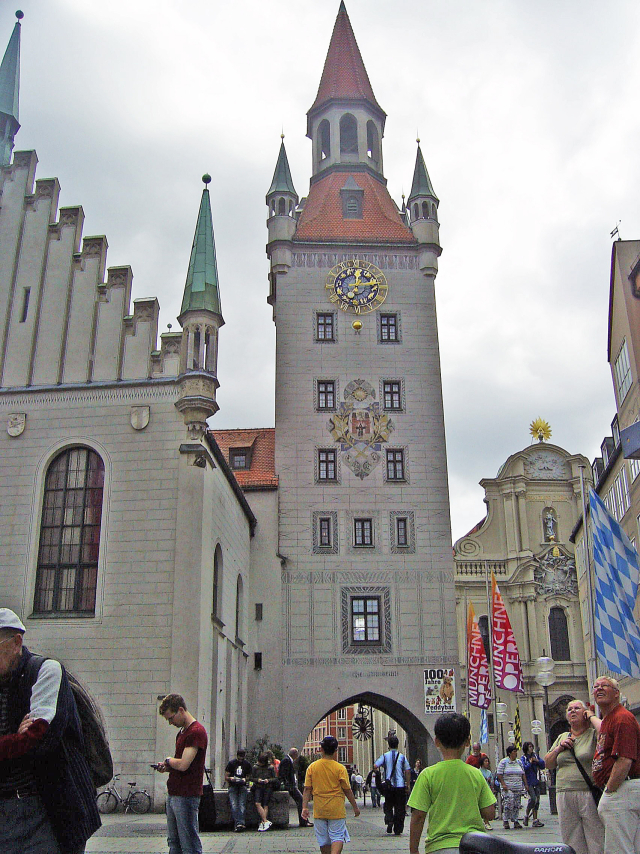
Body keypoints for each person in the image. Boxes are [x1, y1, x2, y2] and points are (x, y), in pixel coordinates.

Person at [0, 608, 101, 854]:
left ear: (16, 642)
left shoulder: (46, 670)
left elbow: (39, 740)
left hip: (49, 810)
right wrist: (16, 738)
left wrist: (22, 738)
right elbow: (22, 742)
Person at [408, 712, 496, 854]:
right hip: (474, 846)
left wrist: (413, 850)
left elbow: (418, 816)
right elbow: (490, 813)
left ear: (437, 741)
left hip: (439, 847)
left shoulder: (428, 775)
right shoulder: (475, 774)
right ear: (467, 742)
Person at [544, 698, 604, 854]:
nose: (572, 711)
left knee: (596, 837)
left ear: (584, 713)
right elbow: (548, 763)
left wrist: (591, 715)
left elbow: (604, 729)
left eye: (577, 708)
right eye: (569, 709)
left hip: (588, 792)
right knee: (571, 838)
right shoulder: (562, 737)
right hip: (564, 792)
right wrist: (558, 749)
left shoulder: (592, 735)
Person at [591, 676, 640, 854]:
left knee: (618, 848)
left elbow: (625, 758)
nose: (599, 689)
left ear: (617, 693)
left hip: (623, 789)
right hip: (623, 789)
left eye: (605, 686)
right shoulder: (609, 718)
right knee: (630, 846)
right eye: (596, 687)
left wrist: (610, 790)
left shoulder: (622, 718)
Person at [157, 693, 208, 854]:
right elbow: (180, 764)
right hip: (174, 793)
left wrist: (168, 760)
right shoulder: (182, 732)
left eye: (171, 718)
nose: (170, 722)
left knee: (189, 844)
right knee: (174, 842)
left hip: (186, 795)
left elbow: (184, 764)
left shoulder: (196, 732)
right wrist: (168, 767)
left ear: (180, 710)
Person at [302, 734, 360, 854]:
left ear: (321, 749)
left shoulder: (312, 767)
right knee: (337, 836)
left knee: (323, 840)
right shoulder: (340, 768)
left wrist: (304, 807)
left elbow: (307, 789)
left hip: (320, 809)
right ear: (335, 751)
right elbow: (347, 790)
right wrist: (355, 807)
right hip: (336, 809)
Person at [375, 734, 411, 835]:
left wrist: (381, 773)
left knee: (389, 804)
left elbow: (375, 765)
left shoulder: (385, 756)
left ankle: (389, 819)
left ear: (389, 745)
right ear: (398, 745)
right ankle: (398, 828)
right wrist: (407, 785)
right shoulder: (402, 757)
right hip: (400, 786)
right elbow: (407, 771)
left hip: (389, 786)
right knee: (400, 808)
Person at [279, 746, 314, 827]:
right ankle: (304, 821)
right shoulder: (287, 761)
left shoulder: (287, 760)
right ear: (295, 754)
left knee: (301, 800)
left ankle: (304, 821)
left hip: (290, 785)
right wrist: (290, 784)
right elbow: (284, 774)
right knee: (301, 800)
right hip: (290, 786)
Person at [496, 744, 527, 829]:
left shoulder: (519, 762)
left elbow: (523, 774)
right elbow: (499, 774)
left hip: (518, 787)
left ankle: (515, 820)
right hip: (508, 787)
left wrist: (525, 784)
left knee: (517, 804)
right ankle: (506, 820)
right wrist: (503, 784)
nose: (516, 753)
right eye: (514, 751)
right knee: (509, 802)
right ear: (509, 753)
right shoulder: (504, 762)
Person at [224, 747, 252, 832]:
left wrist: (245, 779)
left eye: (242, 757)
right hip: (233, 786)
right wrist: (231, 778)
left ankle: (240, 823)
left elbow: (249, 776)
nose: (241, 759)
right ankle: (238, 823)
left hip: (242, 786)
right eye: (240, 757)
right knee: (234, 805)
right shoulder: (231, 763)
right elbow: (226, 777)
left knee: (241, 805)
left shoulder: (247, 764)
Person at [520, 741, 546, 827]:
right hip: (528, 781)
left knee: (537, 800)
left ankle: (535, 819)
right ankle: (526, 815)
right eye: (530, 747)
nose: (531, 748)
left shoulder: (535, 756)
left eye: (532, 746)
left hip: (536, 780)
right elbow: (523, 768)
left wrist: (537, 761)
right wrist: (530, 763)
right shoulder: (523, 758)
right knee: (533, 799)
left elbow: (543, 765)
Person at [250, 751, 277, 831]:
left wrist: (268, 780)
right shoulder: (255, 767)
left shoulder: (270, 768)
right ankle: (265, 821)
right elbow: (251, 778)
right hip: (258, 787)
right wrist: (257, 780)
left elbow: (275, 778)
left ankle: (263, 822)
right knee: (258, 803)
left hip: (267, 787)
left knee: (265, 804)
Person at [479, 757, 494, 829]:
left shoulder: (489, 772)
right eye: (485, 761)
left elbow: (492, 782)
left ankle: (486, 821)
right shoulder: (478, 771)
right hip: (480, 791)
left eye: (488, 761)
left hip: (487, 790)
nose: (487, 763)